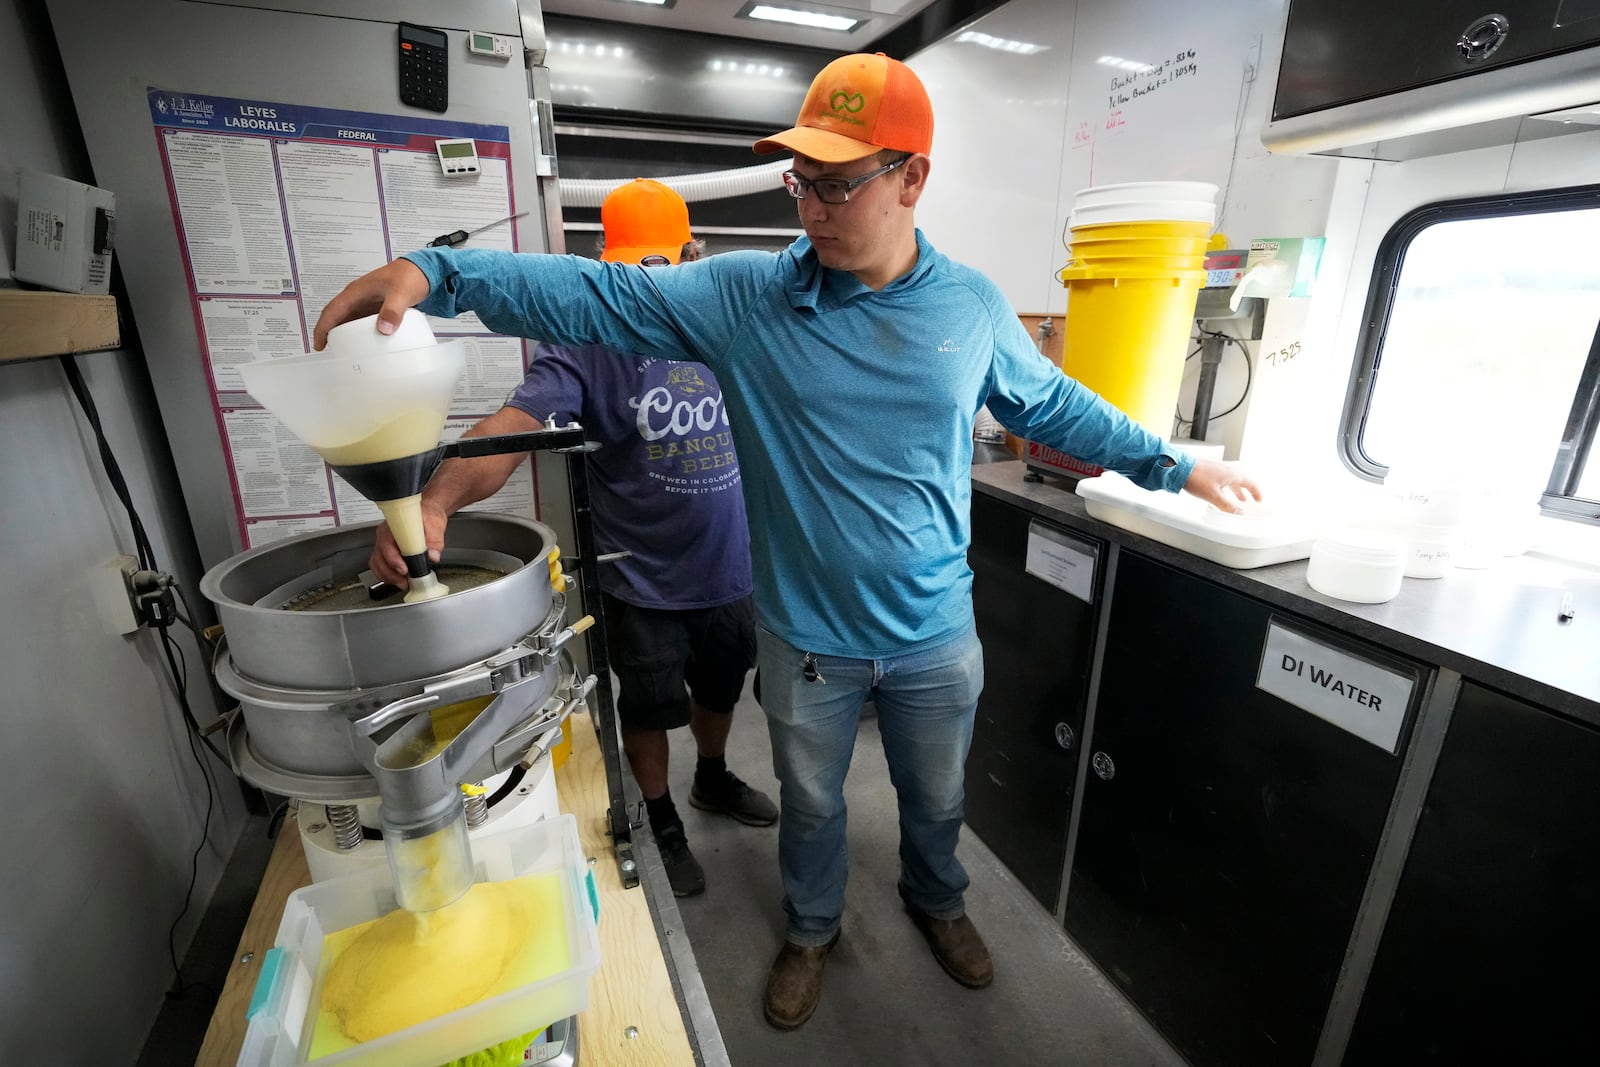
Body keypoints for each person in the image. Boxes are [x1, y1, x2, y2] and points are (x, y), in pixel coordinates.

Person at [316, 52, 1262, 1030]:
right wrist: (438, 270)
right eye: (800, 180)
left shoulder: (971, 308)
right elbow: (591, 299)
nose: (811, 207)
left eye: (838, 183)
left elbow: (1056, 403)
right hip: (809, 642)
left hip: (936, 632)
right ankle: (811, 927)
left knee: (934, 798)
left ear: (912, 179)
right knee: (811, 803)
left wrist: (1176, 465)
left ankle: (936, 900)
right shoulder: (747, 299)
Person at [366, 178, 777, 898]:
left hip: (728, 572)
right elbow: (511, 427)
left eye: (666, 264)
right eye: (633, 266)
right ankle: (661, 816)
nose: (652, 280)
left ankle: (712, 776)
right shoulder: (590, 339)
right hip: (642, 581)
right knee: (647, 709)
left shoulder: (732, 326)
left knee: (721, 686)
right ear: (606, 261)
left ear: (693, 253)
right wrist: (434, 504)